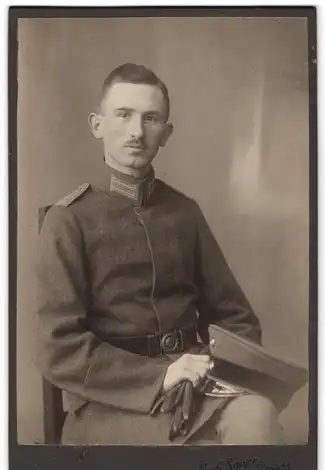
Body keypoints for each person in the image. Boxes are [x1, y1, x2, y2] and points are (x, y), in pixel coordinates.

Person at [37, 63, 284, 445]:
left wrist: (213, 367)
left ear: (166, 134)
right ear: (97, 125)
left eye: (151, 118)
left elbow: (236, 317)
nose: (136, 132)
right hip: (109, 404)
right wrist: (159, 377)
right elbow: (57, 346)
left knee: (258, 416)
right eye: (123, 115)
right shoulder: (67, 220)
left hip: (193, 386)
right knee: (207, 454)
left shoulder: (184, 212)